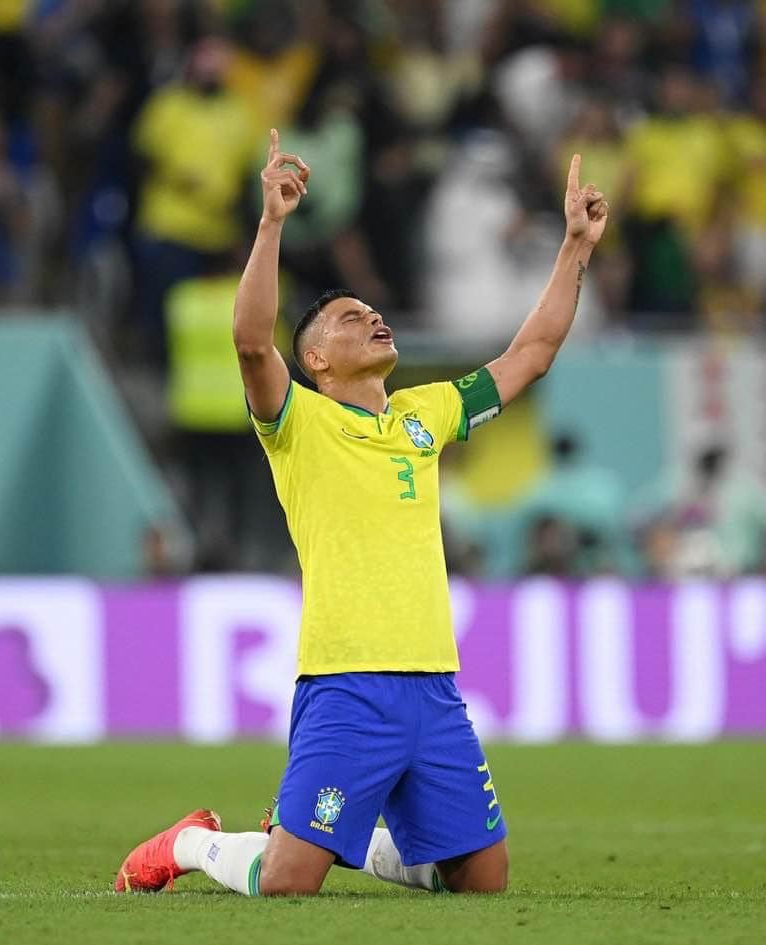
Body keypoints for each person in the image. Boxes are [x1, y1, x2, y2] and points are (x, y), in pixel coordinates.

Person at [114, 129, 608, 897]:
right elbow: (251, 344)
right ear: (314, 360)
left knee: (482, 883)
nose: (374, 319)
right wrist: (272, 223)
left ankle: (343, 840)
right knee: (288, 883)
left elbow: (531, 355)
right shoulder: (297, 422)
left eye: (374, 312)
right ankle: (191, 844)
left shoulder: (426, 413)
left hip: (434, 684)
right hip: (346, 684)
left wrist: (575, 246)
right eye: (350, 318)